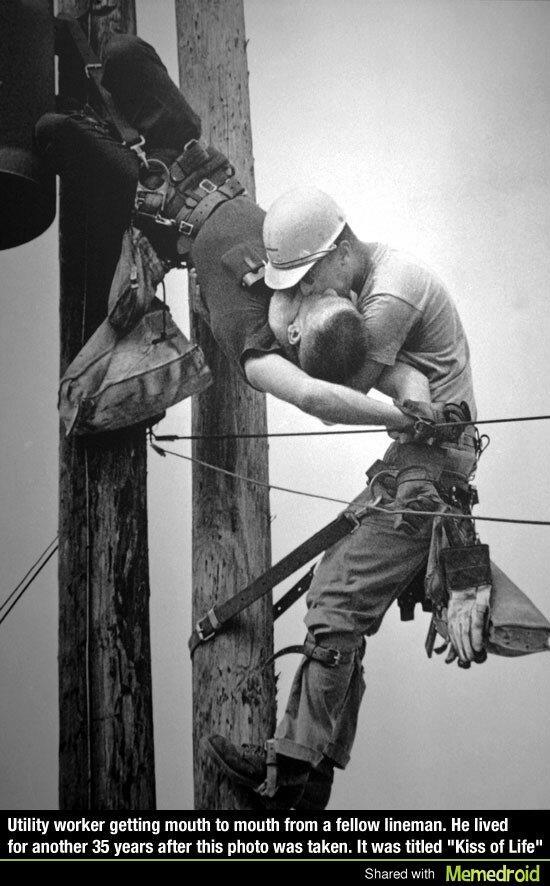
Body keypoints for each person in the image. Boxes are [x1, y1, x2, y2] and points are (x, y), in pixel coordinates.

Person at [205, 188, 490, 810]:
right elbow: (397, 388)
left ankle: (291, 781)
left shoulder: (390, 294)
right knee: (336, 592)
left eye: (307, 280)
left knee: (337, 603)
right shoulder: (360, 282)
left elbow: (325, 386)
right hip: (416, 469)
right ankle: (304, 771)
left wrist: (274, 324)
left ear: (338, 252)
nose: (304, 294)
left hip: (426, 475)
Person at [35, 33, 425, 433]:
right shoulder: (304, 286)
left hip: (153, 202)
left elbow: (314, 399)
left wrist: (396, 422)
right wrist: (420, 414)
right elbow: (411, 378)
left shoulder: (258, 343)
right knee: (122, 53)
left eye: (320, 299)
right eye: (334, 293)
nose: (319, 287)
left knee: (54, 128)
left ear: (294, 333)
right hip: (190, 155)